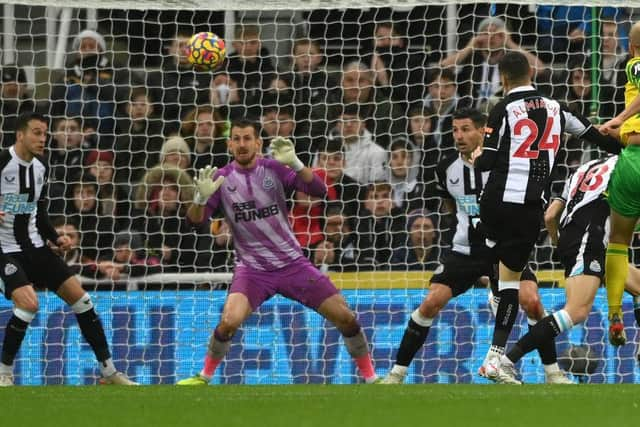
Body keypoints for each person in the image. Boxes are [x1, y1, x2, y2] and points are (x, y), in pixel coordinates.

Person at [176, 121, 378, 385]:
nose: (241, 144)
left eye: (247, 138)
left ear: (258, 143)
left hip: (292, 264)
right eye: (236, 139)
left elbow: (319, 190)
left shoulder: (273, 169)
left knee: (346, 318)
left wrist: (295, 163)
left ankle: (372, 378)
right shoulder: (221, 178)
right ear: (229, 144)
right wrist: (200, 199)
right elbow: (194, 222)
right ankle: (203, 376)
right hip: (252, 270)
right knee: (228, 321)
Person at [382, 108, 570, 384]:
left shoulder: (503, 164)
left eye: (466, 129)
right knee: (431, 302)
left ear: (483, 131)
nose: (459, 135)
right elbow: (450, 206)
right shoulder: (446, 168)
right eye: (455, 130)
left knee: (532, 301)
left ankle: (553, 373)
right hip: (465, 252)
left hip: (503, 249)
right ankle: (396, 374)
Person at [472, 51, 622, 379]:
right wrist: (626, 148)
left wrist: (477, 157)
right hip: (530, 209)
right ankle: (496, 356)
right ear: (531, 74)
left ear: (504, 78)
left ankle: (495, 352)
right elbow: (595, 136)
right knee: (512, 280)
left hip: (497, 204)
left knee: (505, 279)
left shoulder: (502, 109)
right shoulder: (557, 109)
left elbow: (487, 161)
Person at [0, 112, 136, 386]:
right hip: (4, 250)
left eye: (45, 134)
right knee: (28, 304)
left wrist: (55, 237)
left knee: (82, 301)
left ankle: (109, 372)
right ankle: (3, 372)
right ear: (20, 135)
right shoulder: (3, 162)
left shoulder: (41, 166)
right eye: (37, 133)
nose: (42, 139)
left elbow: (38, 210)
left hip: (36, 247)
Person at [491, 154, 640, 383]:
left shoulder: (588, 166)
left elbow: (550, 216)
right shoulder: (632, 170)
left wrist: (558, 243)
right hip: (590, 239)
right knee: (577, 311)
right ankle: (505, 362)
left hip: (577, 238)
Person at [598, 21, 640, 346]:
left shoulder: (632, 64)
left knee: (618, 242)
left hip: (631, 159)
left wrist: (619, 120)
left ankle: (615, 312)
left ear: (631, 46)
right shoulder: (635, 64)